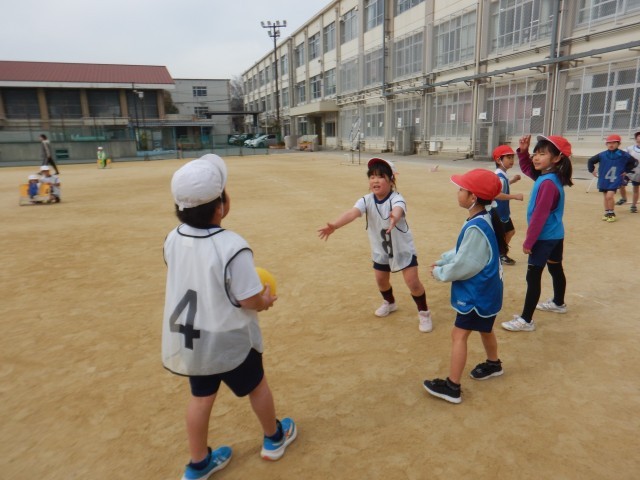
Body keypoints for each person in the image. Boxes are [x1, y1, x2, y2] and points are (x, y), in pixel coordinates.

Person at [162, 154, 297, 480]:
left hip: (194, 336)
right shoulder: (233, 245)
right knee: (257, 386)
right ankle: (274, 438)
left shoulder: (172, 238)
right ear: (220, 207)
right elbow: (249, 299)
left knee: (200, 398)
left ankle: (198, 463)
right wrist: (265, 301)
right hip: (229, 337)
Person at [317, 157, 434, 333]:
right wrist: (335, 225)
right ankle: (390, 302)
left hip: (402, 249)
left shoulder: (396, 198)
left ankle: (424, 313)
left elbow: (398, 208)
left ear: (391, 180)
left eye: (380, 176)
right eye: (372, 177)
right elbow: (352, 213)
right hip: (381, 249)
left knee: (413, 283)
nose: (375, 180)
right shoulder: (366, 200)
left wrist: (394, 217)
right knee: (381, 280)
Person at [423, 169, 506, 404]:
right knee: (485, 328)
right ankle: (494, 364)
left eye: (461, 189)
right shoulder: (481, 218)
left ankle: (452, 386)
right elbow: (463, 252)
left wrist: (440, 273)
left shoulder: (477, 226)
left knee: (458, 335)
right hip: (488, 291)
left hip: (477, 294)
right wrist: (444, 260)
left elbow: (466, 264)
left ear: (473, 197)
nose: (458, 192)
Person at [502, 135, 573, 333]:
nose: (536, 157)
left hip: (544, 237)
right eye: (535, 153)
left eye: (542, 154)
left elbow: (539, 216)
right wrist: (524, 152)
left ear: (557, 158)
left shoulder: (548, 183)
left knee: (533, 277)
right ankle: (558, 302)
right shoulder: (549, 176)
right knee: (555, 268)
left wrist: (529, 242)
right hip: (555, 234)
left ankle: (526, 320)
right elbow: (528, 169)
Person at [587, 134, 635, 222]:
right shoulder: (602, 155)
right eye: (609, 143)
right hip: (603, 178)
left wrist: (626, 170)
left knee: (609, 196)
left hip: (615, 179)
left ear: (618, 144)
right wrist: (592, 170)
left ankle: (611, 213)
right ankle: (607, 212)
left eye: (614, 143)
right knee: (605, 196)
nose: (611, 145)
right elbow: (591, 161)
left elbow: (634, 162)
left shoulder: (623, 154)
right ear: (606, 144)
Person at [492, 145, 524, 265]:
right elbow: (496, 194)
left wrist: (512, 180)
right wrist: (514, 196)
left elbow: (502, 186)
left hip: (502, 212)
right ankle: (499, 254)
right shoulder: (499, 176)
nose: (511, 160)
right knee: (505, 233)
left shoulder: (502, 174)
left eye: (512, 157)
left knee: (509, 232)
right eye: (508, 157)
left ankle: (500, 253)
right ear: (498, 160)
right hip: (499, 212)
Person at [621, 131, 640, 213]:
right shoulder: (629, 148)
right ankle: (624, 198)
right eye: (639, 136)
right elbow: (622, 156)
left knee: (636, 188)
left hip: (638, 172)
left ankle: (633, 205)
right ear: (636, 138)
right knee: (621, 185)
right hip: (628, 171)